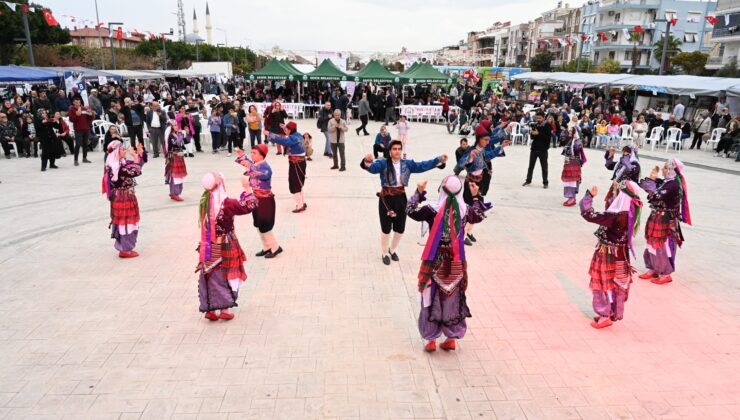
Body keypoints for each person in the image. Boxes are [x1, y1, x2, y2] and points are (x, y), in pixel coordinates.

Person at [406, 175, 488, 352]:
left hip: (434, 261)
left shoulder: (432, 209)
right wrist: (475, 196)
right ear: (460, 191)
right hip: (456, 261)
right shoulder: (465, 209)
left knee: (430, 296)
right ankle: (451, 338)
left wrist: (418, 193)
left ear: (441, 189)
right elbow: (480, 214)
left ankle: (431, 340)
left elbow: (410, 210)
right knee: (452, 297)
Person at [361, 140, 447, 265]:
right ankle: (385, 252)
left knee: (400, 228)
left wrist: (439, 159)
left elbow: (422, 165)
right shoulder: (383, 163)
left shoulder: (407, 164)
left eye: (399, 149)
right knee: (386, 228)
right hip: (386, 198)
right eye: (394, 149)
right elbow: (371, 168)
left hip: (401, 198)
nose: (397, 151)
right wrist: (367, 160)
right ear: (390, 151)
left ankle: (393, 249)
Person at [196, 171, 259, 321]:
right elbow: (251, 205)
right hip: (226, 244)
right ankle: (224, 309)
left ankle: (210, 310)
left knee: (209, 273)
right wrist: (247, 189)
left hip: (208, 245)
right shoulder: (227, 203)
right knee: (227, 274)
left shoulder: (205, 200)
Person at [579, 181, 643, 329]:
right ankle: (614, 312)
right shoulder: (630, 212)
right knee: (618, 284)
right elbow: (612, 207)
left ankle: (604, 315)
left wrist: (589, 197)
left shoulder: (616, 216)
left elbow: (589, 214)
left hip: (607, 254)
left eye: (618, 192)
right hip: (621, 254)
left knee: (600, 282)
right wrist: (615, 192)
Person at [637, 159, 692, 285]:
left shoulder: (673, 185)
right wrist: (652, 177)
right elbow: (649, 189)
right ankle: (653, 268)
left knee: (662, 245)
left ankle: (665, 273)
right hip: (657, 216)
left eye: (666, 168)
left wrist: (652, 184)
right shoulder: (666, 182)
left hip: (665, 218)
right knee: (651, 242)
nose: (663, 170)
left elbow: (656, 195)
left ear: (672, 170)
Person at [236, 145, 283, 259]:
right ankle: (267, 246)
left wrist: (247, 165)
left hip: (265, 200)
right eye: (251, 152)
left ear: (262, 155)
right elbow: (247, 165)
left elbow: (259, 173)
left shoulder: (266, 167)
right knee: (257, 223)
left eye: (254, 153)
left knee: (265, 225)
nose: (251, 155)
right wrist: (242, 156)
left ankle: (275, 247)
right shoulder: (255, 165)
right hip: (256, 199)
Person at [102, 141, 146, 258]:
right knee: (126, 224)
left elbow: (136, 166)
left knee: (127, 223)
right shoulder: (118, 168)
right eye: (122, 149)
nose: (124, 151)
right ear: (116, 152)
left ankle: (124, 247)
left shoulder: (118, 164)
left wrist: (138, 155)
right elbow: (136, 171)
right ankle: (125, 250)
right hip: (123, 197)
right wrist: (135, 157)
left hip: (124, 196)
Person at [265, 121, 308, 213]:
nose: (285, 131)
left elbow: (282, 140)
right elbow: (287, 135)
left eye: (287, 129)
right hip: (300, 162)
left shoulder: (292, 138)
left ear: (290, 130)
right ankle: (302, 202)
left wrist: (270, 134)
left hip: (296, 163)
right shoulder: (298, 135)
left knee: (294, 183)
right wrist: (285, 127)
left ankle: (300, 205)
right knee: (298, 183)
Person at [523, 112, 551, 188]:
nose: (538, 120)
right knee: (531, 166)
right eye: (537, 118)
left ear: (543, 118)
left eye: (540, 118)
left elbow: (548, 138)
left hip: (543, 149)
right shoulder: (535, 125)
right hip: (534, 148)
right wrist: (533, 133)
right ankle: (528, 180)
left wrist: (538, 134)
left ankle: (545, 182)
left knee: (544, 167)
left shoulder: (547, 125)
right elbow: (532, 137)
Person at [561, 127, 586, 207]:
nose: (570, 132)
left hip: (574, 163)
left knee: (572, 180)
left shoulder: (577, 141)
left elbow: (577, 149)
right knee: (568, 181)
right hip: (568, 162)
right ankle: (571, 198)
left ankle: (572, 198)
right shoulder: (570, 140)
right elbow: (561, 139)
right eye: (569, 131)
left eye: (571, 131)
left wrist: (577, 139)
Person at [164, 121, 188, 201]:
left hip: (179, 157)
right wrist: (181, 135)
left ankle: (175, 193)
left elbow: (186, 142)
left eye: (176, 125)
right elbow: (176, 144)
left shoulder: (178, 134)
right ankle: (174, 193)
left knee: (179, 175)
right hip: (173, 157)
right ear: (170, 127)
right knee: (175, 175)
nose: (176, 126)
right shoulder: (170, 136)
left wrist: (187, 133)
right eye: (174, 125)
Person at [67, 98, 95, 166]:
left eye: (79, 102)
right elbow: (71, 120)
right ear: (73, 103)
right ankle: (75, 160)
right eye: (76, 102)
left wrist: (91, 115)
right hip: (78, 129)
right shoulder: (71, 109)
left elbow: (89, 119)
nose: (78, 104)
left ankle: (84, 158)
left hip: (86, 128)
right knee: (78, 144)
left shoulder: (84, 108)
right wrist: (77, 115)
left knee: (85, 144)